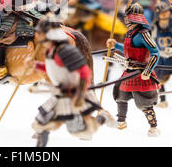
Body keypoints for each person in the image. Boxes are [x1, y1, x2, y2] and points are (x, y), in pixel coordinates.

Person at [31, 16, 115, 147]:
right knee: (41, 122)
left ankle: (103, 118)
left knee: (79, 130)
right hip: (60, 94)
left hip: (75, 94)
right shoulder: (51, 50)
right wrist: (36, 66)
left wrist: (80, 95)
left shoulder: (65, 51)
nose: (37, 35)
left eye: (40, 32)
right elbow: (53, 67)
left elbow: (85, 72)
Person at [106, 0, 161, 137]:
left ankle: (153, 127)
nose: (125, 20)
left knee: (144, 103)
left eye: (127, 17)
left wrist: (148, 71)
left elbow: (155, 53)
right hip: (129, 70)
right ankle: (121, 122)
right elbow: (128, 50)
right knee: (120, 95)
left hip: (142, 72)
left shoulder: (143, 34)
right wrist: (115, 45)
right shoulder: (130, 33)